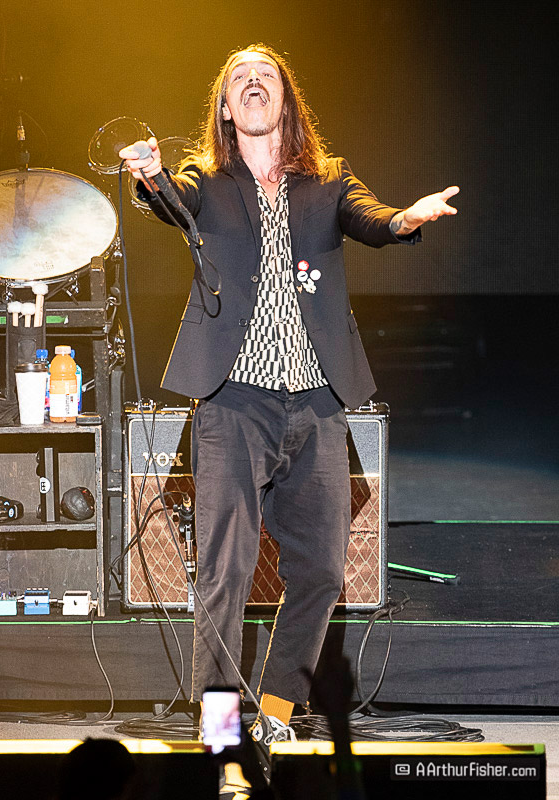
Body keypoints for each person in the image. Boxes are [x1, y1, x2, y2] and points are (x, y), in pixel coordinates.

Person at [119, 43, 458, 740]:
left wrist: (406, 219)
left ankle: (274, 715)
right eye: (239, 77)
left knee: (324, 572)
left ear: (285, 100)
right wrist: (150, 176)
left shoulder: (328, 180)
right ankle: (219, 730)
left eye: (265, 75)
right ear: (224, 106)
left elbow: (373, 219)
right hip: (234, 403)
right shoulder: (207, 179)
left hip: (316, 403)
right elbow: (173, 202)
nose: (252, 82)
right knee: (224, 572)